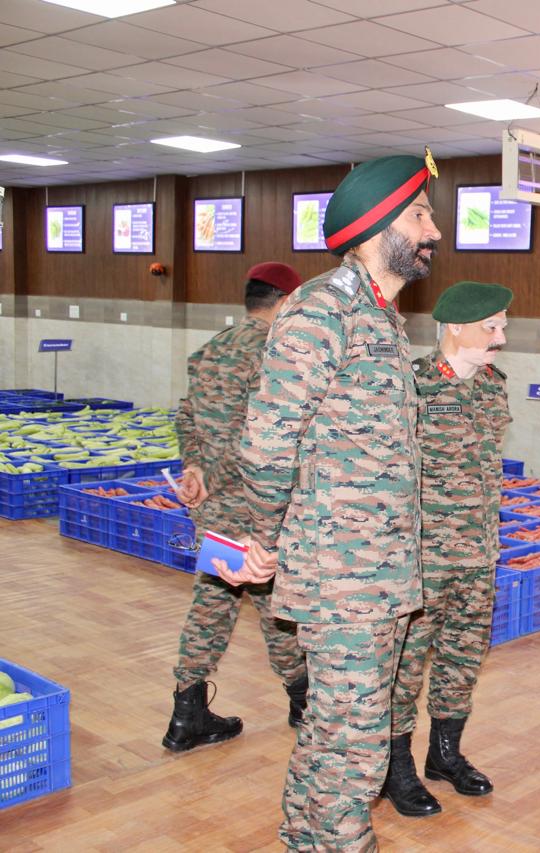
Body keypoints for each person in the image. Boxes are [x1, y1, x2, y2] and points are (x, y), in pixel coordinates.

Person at [238, 152, 441, 851]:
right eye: (419, 215)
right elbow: (267, 441)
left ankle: (308, 839)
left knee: (340, 735)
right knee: (353, 747)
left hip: (378, 575)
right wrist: (264, 536)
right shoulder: (323, 309)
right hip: (340, 577)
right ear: (376, 226)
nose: (432, 229)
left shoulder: (381, 315)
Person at [381, 281, 513, 818]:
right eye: (492, 327)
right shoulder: (410, 386)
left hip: (478, 556)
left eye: (503, 326)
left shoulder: (491, 386)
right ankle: (396, 769)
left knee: (462, 661)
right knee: (405, 668)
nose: (501, 338)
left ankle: (445, 754)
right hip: (424, 560)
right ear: (455, 327)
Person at [163, 261, 307, 753]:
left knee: (213, 602)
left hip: (216, 508)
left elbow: (188, 417)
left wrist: (195, 469)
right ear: (286, 302)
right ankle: (302, 700)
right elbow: (268, 438)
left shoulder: (210, 351)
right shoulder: (278, 354)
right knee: (278, 606)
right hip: (262, 507)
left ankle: (188, 712)